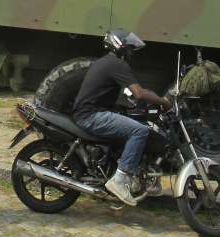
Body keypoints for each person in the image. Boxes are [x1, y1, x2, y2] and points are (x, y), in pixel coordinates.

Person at [70, 28, 169, 205]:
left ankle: (138, 177)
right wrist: (164, 101)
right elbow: (138, 93)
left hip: (89, 112)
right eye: (130, 48)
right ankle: (120, 180)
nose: (131, 53)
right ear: (120, 46)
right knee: (139, 131)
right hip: (91, 115)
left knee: (134, 122)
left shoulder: (107, 62)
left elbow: (129, 93)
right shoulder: (117, 64)